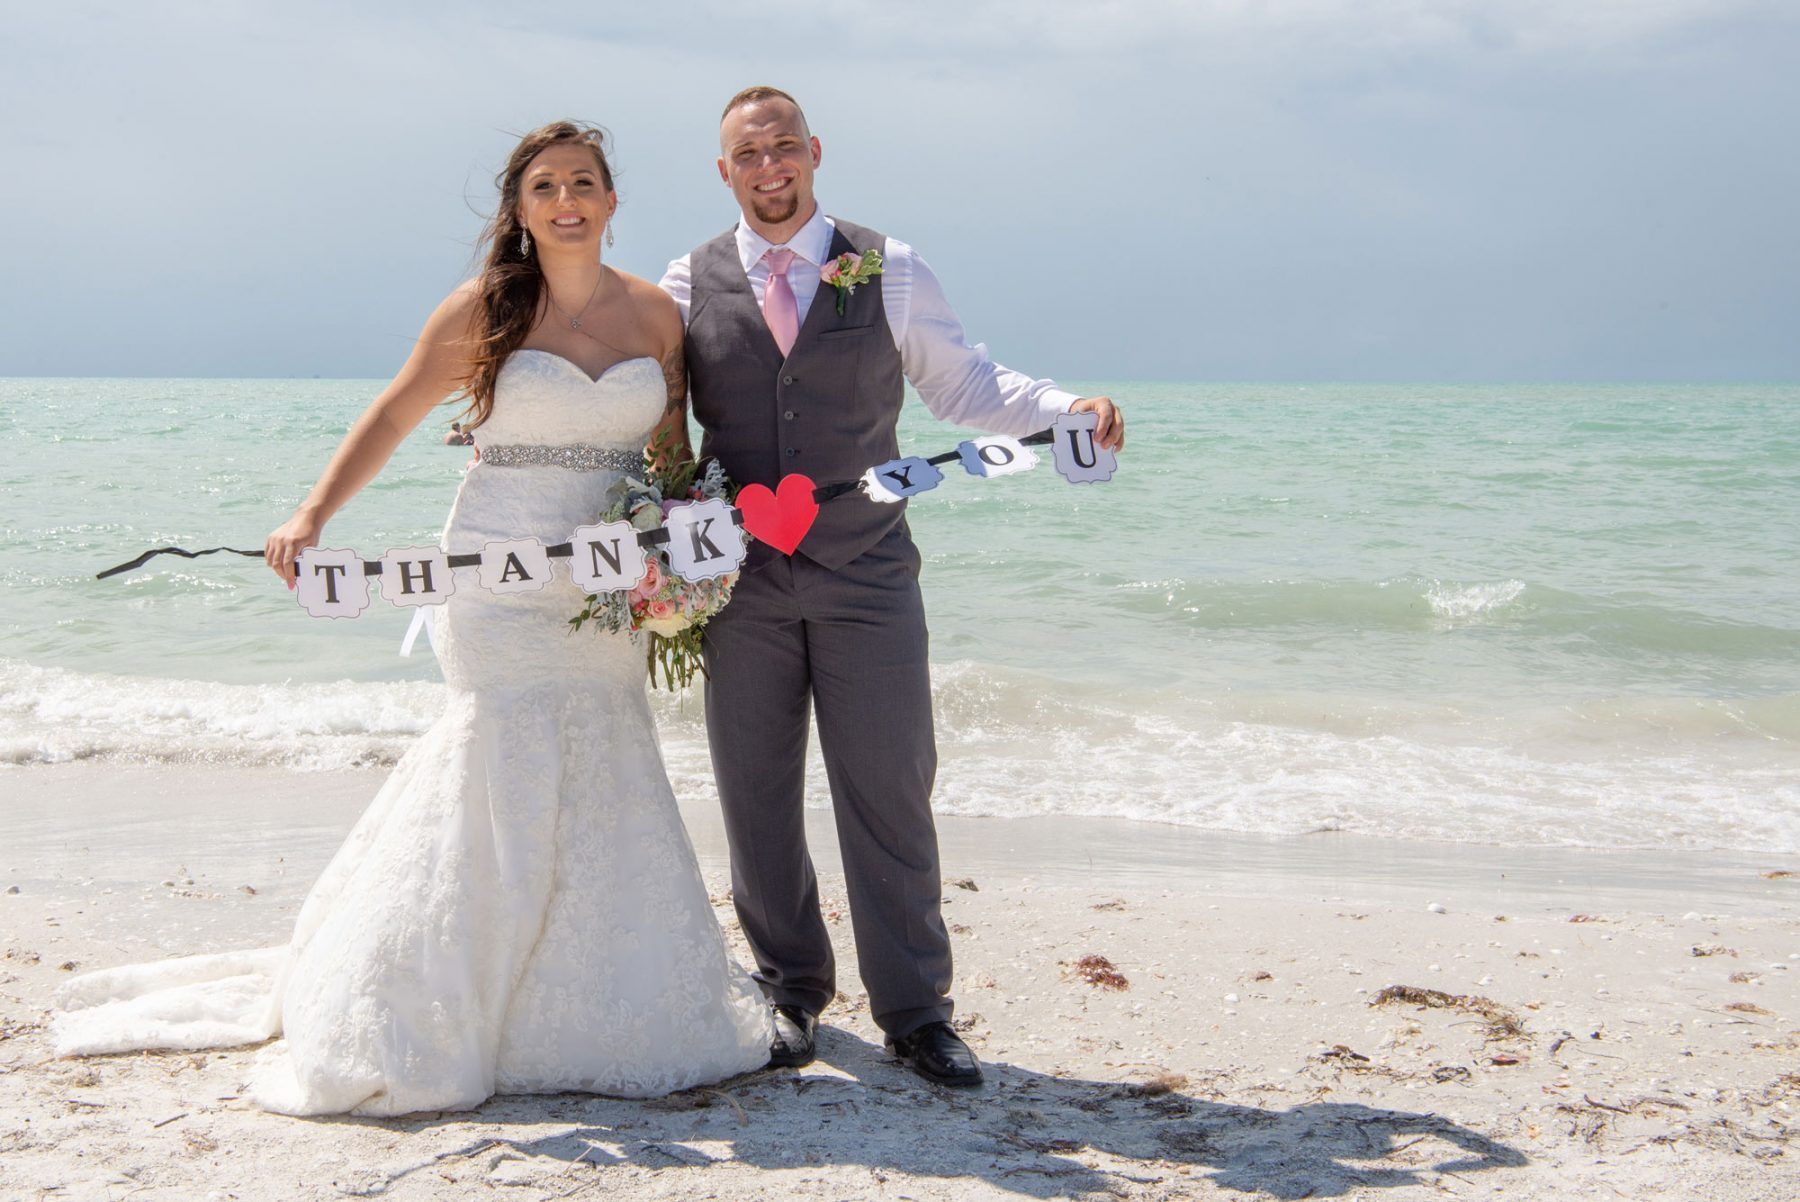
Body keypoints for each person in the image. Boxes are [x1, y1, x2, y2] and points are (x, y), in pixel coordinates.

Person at [51, 121, 769, 1116]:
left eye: (583, 182)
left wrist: (683, 555)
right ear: (520, 210)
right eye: (545, 186)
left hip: (608, 582)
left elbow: (671, 452)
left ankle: (589, 1004)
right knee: (503, 752)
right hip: (494, 575)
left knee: (607, 754)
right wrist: (310, 515)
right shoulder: (484, 308)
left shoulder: (654, 312)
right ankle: (433, 996)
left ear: (611, 200)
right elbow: (392, 414)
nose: (566, 200)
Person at [660, 88, 1125, 1088]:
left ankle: (916, 1013)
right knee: (754, 792)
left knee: (890, 787)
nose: (770, 165)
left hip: (868, 569)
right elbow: (653, 421)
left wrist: (1064, 406)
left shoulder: (888, 265)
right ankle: (789, 989)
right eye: (750, 153)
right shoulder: (686, 283)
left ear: (815, 152)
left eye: (785, 146)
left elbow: (967, 386)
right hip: (739, 584)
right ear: (724, 170)